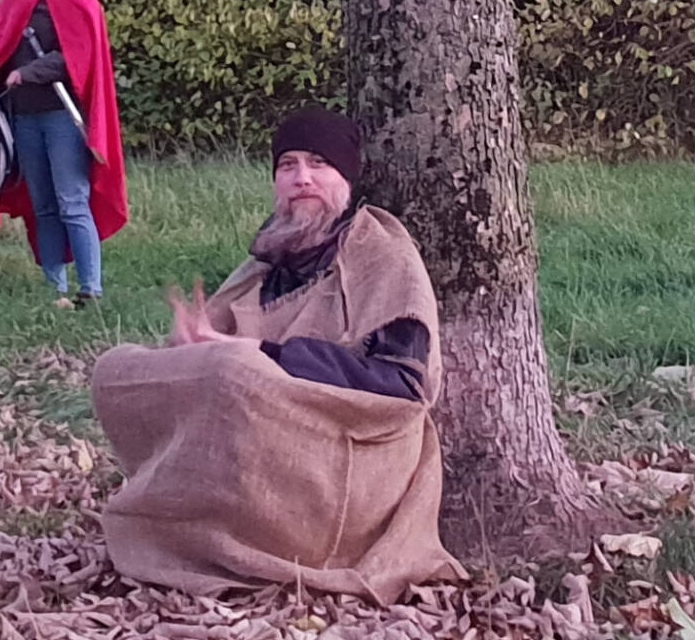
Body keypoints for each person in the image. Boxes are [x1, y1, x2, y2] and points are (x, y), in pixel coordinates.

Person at [92, 107, 465, 601]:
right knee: (115, 368)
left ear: (347, 178)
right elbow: (213, 353)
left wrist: (263, 354)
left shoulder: (383, 253)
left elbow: (403, 385)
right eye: (287, 165)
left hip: (351, 469)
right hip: (268, 465)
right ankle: (193, 523)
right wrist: (189, 351)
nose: (301, 178)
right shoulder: (267, 259)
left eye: (318, 163)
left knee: (235, 369)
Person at [0, 0, 128, 306]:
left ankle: (91, 289)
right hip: (23, 117)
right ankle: (54, 287)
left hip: (62, 114)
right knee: (42, 205)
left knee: (72, 199)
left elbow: (80, 55)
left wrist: (29, 71)